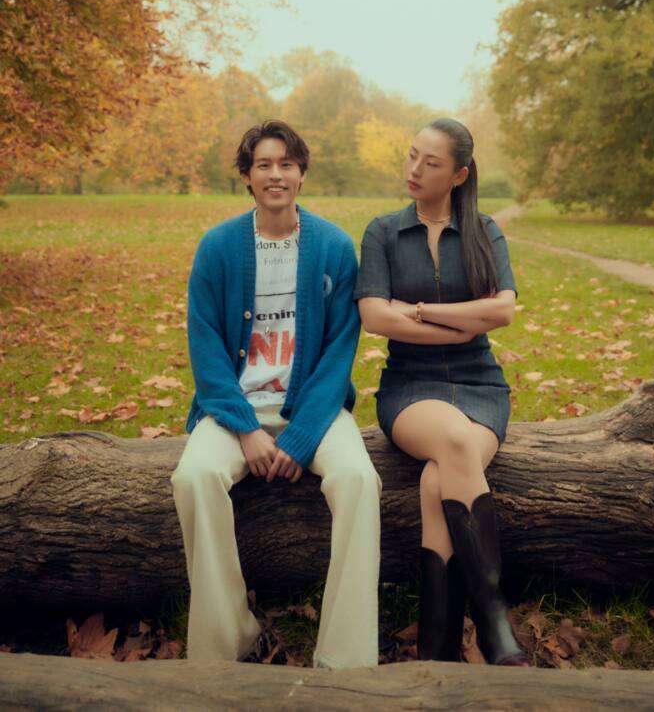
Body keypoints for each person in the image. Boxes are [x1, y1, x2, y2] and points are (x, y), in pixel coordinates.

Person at [170, 119, 381, 669]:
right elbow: (206, 346)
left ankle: (346, 656)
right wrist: (244, 428)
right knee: (193, 477)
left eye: (286, 164)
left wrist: (302, 436)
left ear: (302, 173)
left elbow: (339, 352)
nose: (276, 175)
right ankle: (228, 641)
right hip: (234, 409)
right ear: (247, 176)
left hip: (312, 407)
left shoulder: (334, 247)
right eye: (263, 164)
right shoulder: (217, 248)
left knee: (359, 480)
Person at [354, 117, 530, 667]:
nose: (414, 169)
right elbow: (375, 317)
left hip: (481, 384)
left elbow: (503, 310)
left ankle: (439, 644)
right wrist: (461, 324)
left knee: (439, 479)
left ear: (458, 175)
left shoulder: (484, 230)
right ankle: (494, 618)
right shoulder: (383, 232)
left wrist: (422, 311)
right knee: (454, 441)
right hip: (410, 388)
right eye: (412, 156)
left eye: (430, 163)